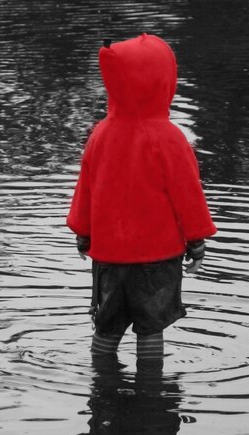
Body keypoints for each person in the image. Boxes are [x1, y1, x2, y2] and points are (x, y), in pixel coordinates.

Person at [66, 33, 217, 364]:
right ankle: (151, 397)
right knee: (151, 329)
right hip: (158, 259)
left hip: (109, 257)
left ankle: (102, 383)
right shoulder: (169, 138)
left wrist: (83, 232)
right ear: (164, 82)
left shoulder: (100, 134)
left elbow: (86, 188)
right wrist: (196, 241)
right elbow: (187, 195)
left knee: (106, 328)